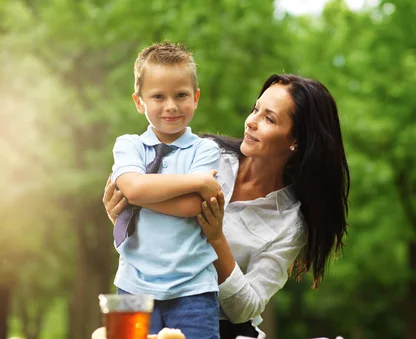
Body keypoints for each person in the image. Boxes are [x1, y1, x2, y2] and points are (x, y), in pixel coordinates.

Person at [103, 73, 350, 339]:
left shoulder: (290, 222)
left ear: (296, 140)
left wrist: (216, 239)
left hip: (224, 327)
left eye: (269, 118)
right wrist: (124, 211)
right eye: (255, 109)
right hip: (155, 303)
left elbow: (247, 308)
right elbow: (145, 198)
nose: (251, 122)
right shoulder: (206, 155)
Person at [109, 41, 222, 339]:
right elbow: (132, 187)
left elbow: (192, 207)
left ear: (196, 98)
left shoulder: (206, 150)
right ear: (139, 101)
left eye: (181, 95)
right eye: (158, 96)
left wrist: (140, 196)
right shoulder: (128, 145)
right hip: (133, 287)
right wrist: (197, 182)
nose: (171, 105)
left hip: (193, 290)